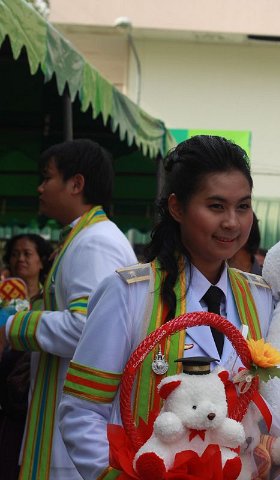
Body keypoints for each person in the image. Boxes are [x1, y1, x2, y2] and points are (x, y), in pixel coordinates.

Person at [58, 135, 280, 479]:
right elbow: (81, 411)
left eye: (243, 206)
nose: (232, 222)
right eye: (216, 206)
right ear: (177, 208)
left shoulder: (261, 296)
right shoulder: (129, 293)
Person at [1, 139, 137, 480]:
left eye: (47, 177)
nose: (40, 187)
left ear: (76, 184)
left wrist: (13, 325)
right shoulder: (87, 236)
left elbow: (84, 327)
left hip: (77, 431)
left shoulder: (96, 242)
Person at [0, 234, 52, 480]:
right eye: (15, 254)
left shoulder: (50, 302)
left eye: (27, 253)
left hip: (34, 394)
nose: (20, 259)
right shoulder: (2, 299)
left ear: (41, 261)